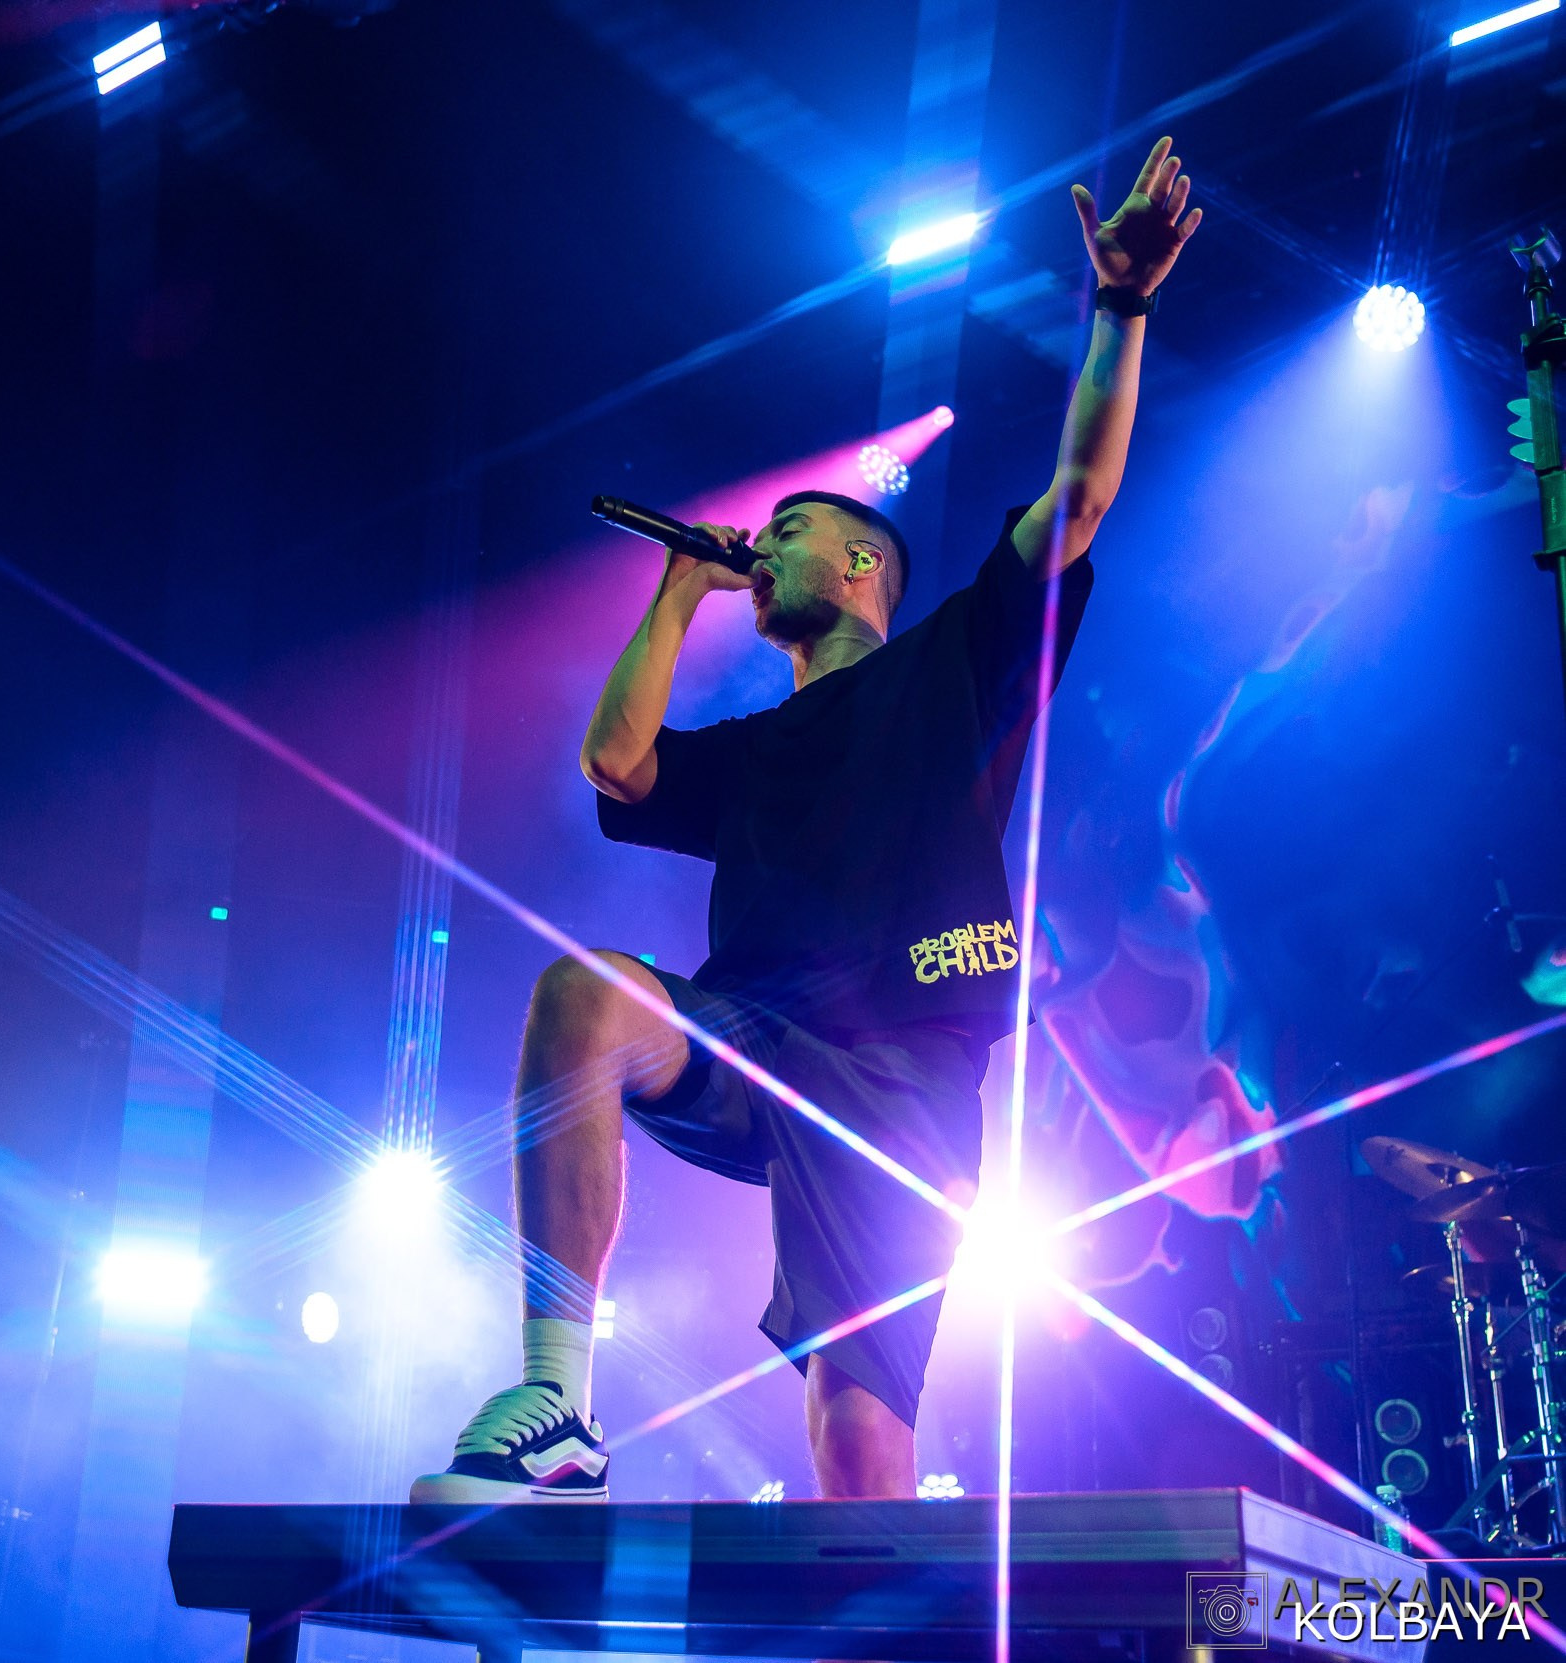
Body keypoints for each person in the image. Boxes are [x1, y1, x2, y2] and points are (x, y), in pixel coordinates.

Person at [413, 139, 1201, 1504]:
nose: (758, 547)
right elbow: (617, 759)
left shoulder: (956, 653)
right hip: (757, 1031)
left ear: (855, 561)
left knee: (857, 1452)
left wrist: (1120, 310)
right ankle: (558, 1400)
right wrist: (675, 593)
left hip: (903, 1069)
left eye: (784, 531)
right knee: (582, 996)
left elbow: (1077, 496)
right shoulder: (756, 743)